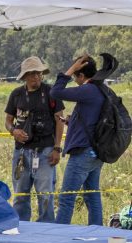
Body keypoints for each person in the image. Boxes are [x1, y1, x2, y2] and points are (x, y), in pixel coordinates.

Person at [5, 57, 65, 223]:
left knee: (45, 194)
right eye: (31, 74)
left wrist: (57, 148)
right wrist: (13, 131)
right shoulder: (16, 94)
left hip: (45, 150)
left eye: (38, 73)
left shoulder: (51, 92)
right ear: (24, 76)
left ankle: (46, 230)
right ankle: (21, 228)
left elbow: (60, 122)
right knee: (20, 195)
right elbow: (8, 121)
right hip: (22, 152)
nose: (36, 77)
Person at [51, 54, 106, 225]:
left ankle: (60, 238)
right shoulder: (101, 89)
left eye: (75, 76)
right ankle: (96, 234)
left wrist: (71, 69)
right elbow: (92, 119)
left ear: (81, 76)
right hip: (95, 152)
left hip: (82, 152)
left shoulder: (88, 89)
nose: (74, 80)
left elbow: (55, 92)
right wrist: (70, 122)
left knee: (67, 198)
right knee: (92, 196)